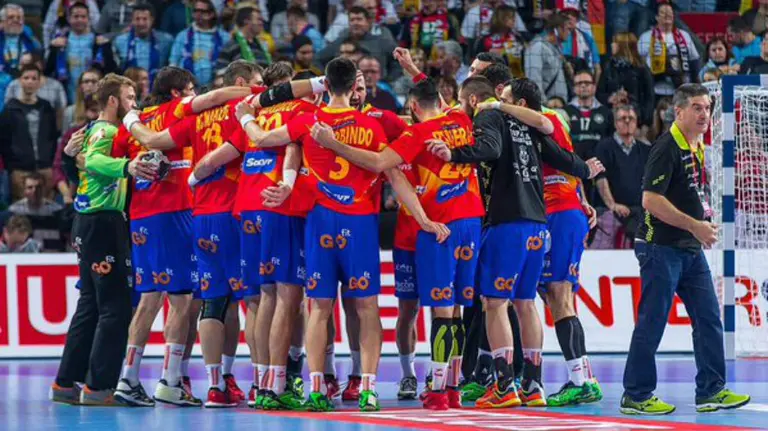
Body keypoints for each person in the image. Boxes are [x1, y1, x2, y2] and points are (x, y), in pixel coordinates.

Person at [120, 67, 328, 408]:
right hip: (238, 210)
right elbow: (242, 143)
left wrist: (131, 121)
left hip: (199, 216)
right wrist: (320, 83)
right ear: (243, 83)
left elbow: (156, 142)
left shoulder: (197, 117)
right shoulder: (250, 106)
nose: (263, 86)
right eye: (257, 79)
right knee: (259, 299)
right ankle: (267, 383)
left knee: (212, 301)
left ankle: (216, 385)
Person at [237, 57, 417, 412]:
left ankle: (317, 389)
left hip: (320, 222)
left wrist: (245, 114)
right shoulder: (371, 125)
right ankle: (367, 389)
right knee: (366, 307)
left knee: (319, 307)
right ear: (354, 89)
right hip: (361, 223)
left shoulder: (307, 120)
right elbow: (389, 171)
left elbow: (259, 139)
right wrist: (422, 217)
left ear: (325, 85)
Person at [427, 76, 602, 409]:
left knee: (494, 303)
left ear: (473, 101)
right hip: (539, 224)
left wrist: (454, 153)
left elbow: (489, 149)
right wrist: (585, 170)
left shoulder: (490, 116)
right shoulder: (533, 126)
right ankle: (534, 385)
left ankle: (505, 385)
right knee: (526, 303)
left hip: (508, 222)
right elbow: (563, 158)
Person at [314, 78, 479, 412]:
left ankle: (436, 389)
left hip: (438, 226)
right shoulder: (461, 120)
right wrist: (414, 71)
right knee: (456, 312)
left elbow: (377, 164)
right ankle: (452, 386)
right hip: (471, 221)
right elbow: (440, 97)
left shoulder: (414, 134)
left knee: (443, 312)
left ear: (413, 108)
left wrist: (333, 143)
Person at [621, 83, 751, 415]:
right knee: (652, 321)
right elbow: (649, 200)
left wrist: (701, 221)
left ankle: (711, 390)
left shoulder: (697, 146)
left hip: (689, 249)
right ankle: (636, 394)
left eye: (707, 107)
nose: (704, 113)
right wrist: (694, 224)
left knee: (709, 318)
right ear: (678, 112)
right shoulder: (667, 146)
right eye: (696, 107)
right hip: (659, 248)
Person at [50, 73, 155, 406]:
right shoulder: (108, 130)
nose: (134, 104)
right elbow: (93, 161)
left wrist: (70, 157)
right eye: (129, 98)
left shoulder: (94, 129)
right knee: (116, 308)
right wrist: (129, 167)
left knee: (90, 305)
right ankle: (99, 388)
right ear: (113, 101)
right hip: (103, 222)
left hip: (87, 223)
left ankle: (66, 384)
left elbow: (81, 160)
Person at [592, 105, 650, 250]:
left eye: (631, 118)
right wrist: (613, 205)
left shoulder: (645, 150)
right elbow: (600, 178)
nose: (627, 121)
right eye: (622, 118)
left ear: (636, 122)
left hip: (638, 212)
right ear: (615, 123)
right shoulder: (604, 147)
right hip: (610, 213)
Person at [0, 64, 59, 202]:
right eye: (26, 78)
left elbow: (52, 137)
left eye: (34, 78)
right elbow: (4, 141)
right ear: (20, 80)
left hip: (45, 169)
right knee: (21, 214)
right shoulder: (10, 109)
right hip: (20, 171)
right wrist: (12, 168)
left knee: (47, 213)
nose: (30, 81)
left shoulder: (46, 107)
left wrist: (50, 164)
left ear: (40, 82)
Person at [44, 2, 117, 102]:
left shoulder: (100, 42)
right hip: (67, 98)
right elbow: (48, 72)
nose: (79, 20)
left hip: (96, 100)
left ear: (88, 19)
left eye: (83, 16)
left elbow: (111, 70)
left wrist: (106, 48)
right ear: (69, 18)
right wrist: (53, 48)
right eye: (76, 16)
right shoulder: (59, 43)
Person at [637, 2, 700, 99]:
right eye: (663, 12)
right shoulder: (646, 37)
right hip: (655, 89)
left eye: (670, 12)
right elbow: (638, 62)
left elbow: (694, 60)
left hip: (681, 90)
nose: (667, 15)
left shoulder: (684, 36)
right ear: (656, 17)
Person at [169, 0, 230, 87]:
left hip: (216, 87)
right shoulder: (183, 35)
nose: (198, 14)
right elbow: (173, 64)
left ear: (211, 14)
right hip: (187, 87)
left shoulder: (224, 37)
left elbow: (230, 65)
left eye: (202, 11)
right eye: (195, 11)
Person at [112, 3, 174, 86]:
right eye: (137, 19)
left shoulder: (166, 40)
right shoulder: (120, 41)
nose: (141, 23)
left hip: (158, 89)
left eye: (145, 19)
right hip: (129, 89)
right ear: (132, 20)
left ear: (152, 20)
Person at [565, 70, 614, 163]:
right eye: (579, 83)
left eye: (587, 83)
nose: (583, 86)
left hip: (601, 165)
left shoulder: (606, 113)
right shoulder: (565, 112)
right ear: (574, 88)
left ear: (594, 87)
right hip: (573, 165)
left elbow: (610, 142)